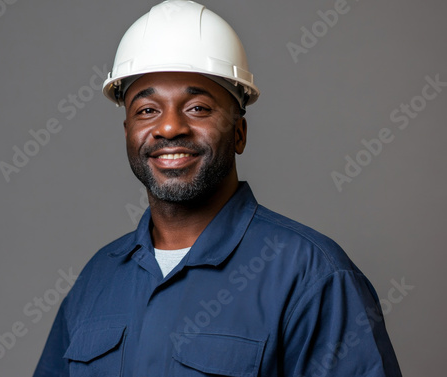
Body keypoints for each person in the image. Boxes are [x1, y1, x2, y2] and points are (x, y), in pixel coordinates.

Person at [33, 1, 402, 376]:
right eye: (147, 110)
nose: (169, 127)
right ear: (128, 132)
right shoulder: (97, 279)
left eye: (197, 108)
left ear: (239, 134)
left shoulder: (312, 276)